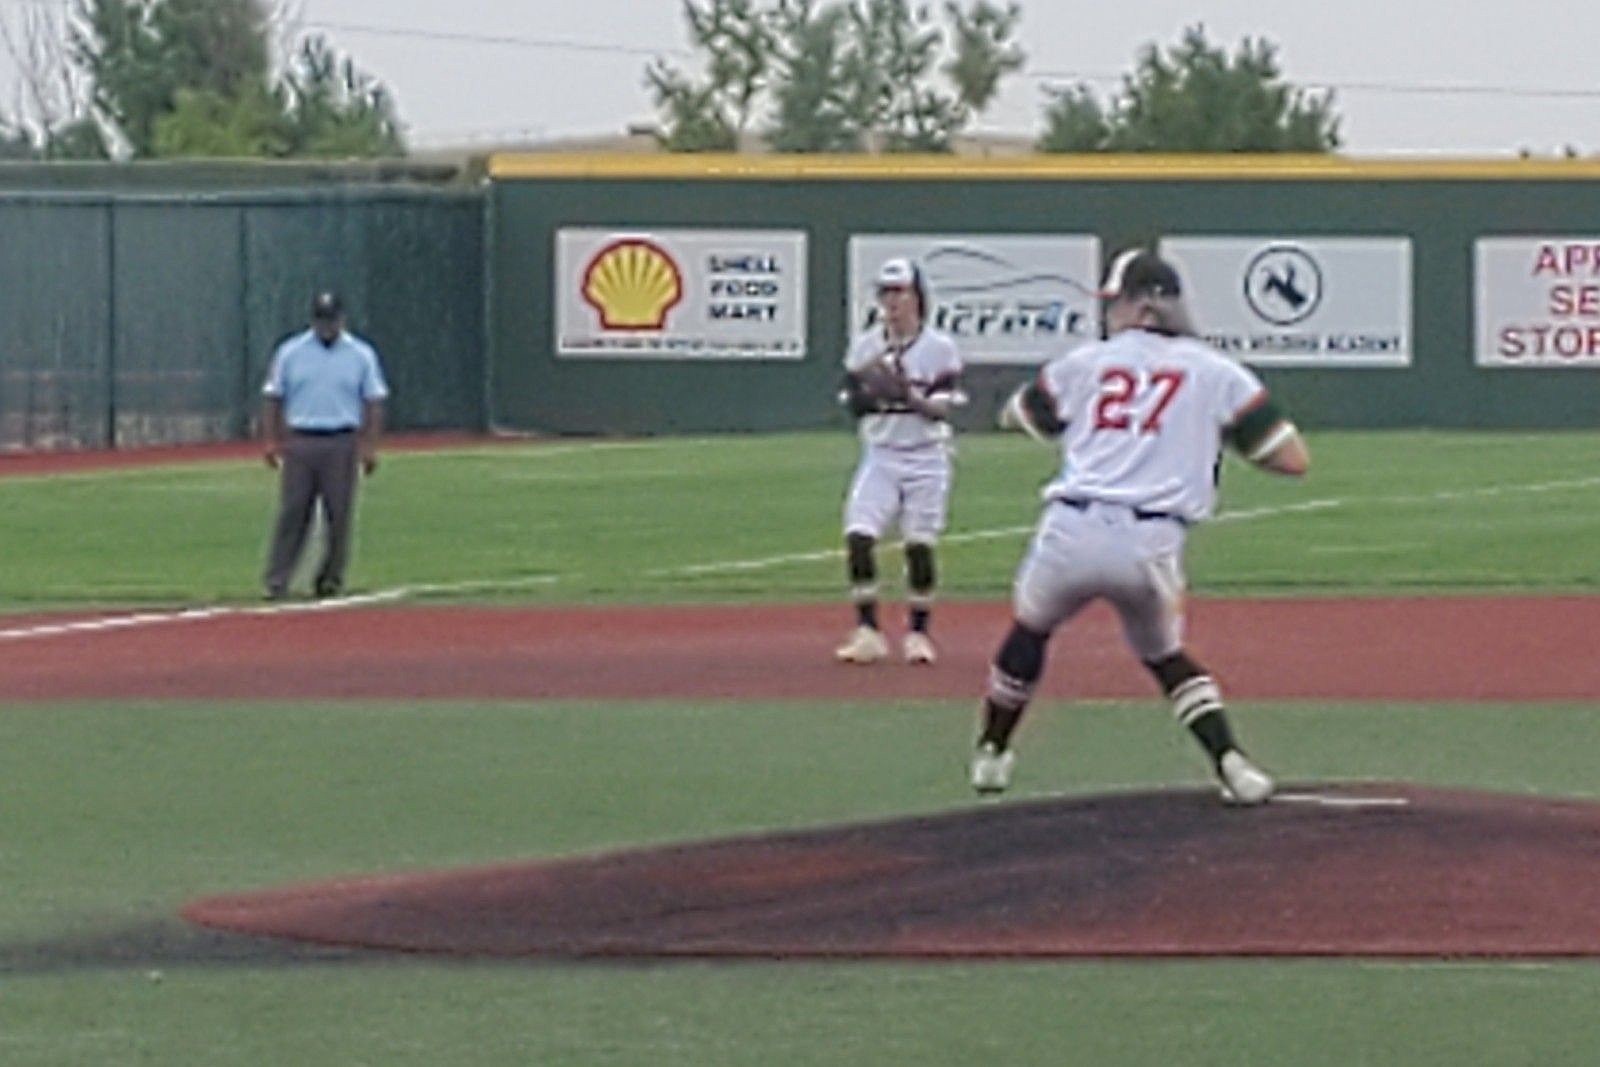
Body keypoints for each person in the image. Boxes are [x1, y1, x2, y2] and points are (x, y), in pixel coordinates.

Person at [969, 246, 1310, 804]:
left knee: (1030, 630)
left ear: (1143, 306)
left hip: (1071, 531)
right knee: (1166, 658)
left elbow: (1024, 415)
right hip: (1150, 541)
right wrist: (1212, 439)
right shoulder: (1215, 371)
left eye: (1117, 302)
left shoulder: (1085, 362)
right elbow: (1292, 459)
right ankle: (1232, 764)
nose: (1110, 313)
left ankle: (992, 753)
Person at [834, 257, 966, 665]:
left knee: (919, 545)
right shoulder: (866, 345)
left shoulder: (940, 348)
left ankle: (918, 634)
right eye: (885, 293)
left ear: (917, 297)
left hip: (927, 457)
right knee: (859, 534)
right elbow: (850, 402)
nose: (892, 302)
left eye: (900, 292)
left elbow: (942, 409)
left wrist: (906, 395)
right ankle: (868, 630)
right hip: (881, 454)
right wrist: (871, 393)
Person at [260, 291, 389, 600]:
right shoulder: (291, 352)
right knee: (293, 511)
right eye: (321, 320)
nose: (326, 327)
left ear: (342, 320)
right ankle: (278, 579)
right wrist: (272, 440)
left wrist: (369, 446)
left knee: (339, 514)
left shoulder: (360, 354)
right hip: (302, 439)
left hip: (341, 440)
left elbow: (373, 401)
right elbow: (274, 397)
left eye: (331, 320)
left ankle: (330, 578)